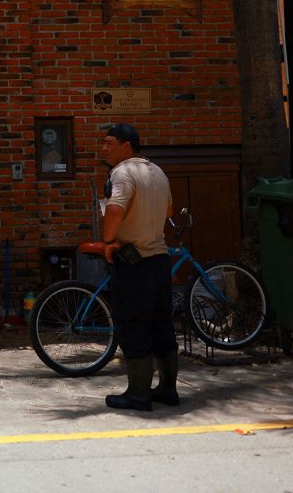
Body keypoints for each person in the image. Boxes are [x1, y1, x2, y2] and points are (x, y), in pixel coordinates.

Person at [98, 123, 179, 412]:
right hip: (159, 259)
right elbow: (168, 210)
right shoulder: (157, 171)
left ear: (126, 146)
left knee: (134, 325)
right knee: (161, 324)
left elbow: (116, 209)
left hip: (135, 261)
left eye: (109, 142)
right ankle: (168, 389)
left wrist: (107, 240)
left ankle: (139, 393)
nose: (103, 148)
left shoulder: (122, 173)